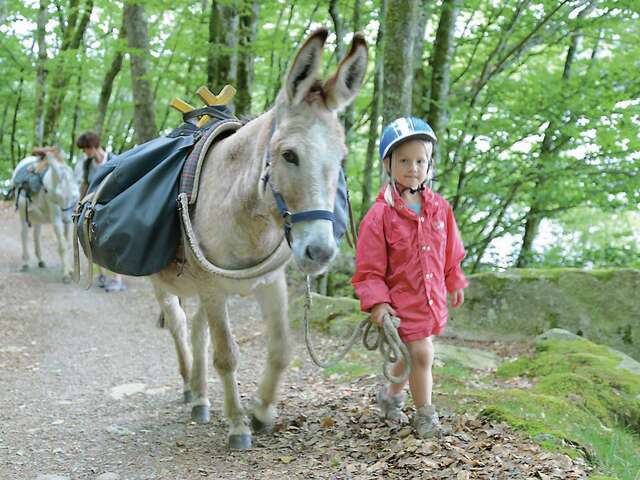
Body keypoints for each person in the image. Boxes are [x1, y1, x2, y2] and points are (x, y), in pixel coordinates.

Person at [352, 117, 468, 438]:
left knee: (408, 356)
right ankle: (426, 415)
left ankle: (390, 396)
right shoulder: (379, 216)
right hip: (401, 304)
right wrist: (377, 303)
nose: (413, 167)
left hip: (429, 300)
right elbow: (369, 269)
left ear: (429, 165)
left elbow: (451, 250)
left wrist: (454, 278)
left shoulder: (440, 209)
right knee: (421, 353)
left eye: (420, 160)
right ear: (388, 164)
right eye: (404, 160)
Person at [75, 131, 126, 292]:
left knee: (115, 241)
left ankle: (118, 279)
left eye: (86, 149)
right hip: (94, 207)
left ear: (94, 146)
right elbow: (85, 183)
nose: (85, 152)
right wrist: (80, 203)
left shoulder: (115, 159)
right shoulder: (87, 164)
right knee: (95, 240)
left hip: (114, 206)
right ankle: (102, 274)